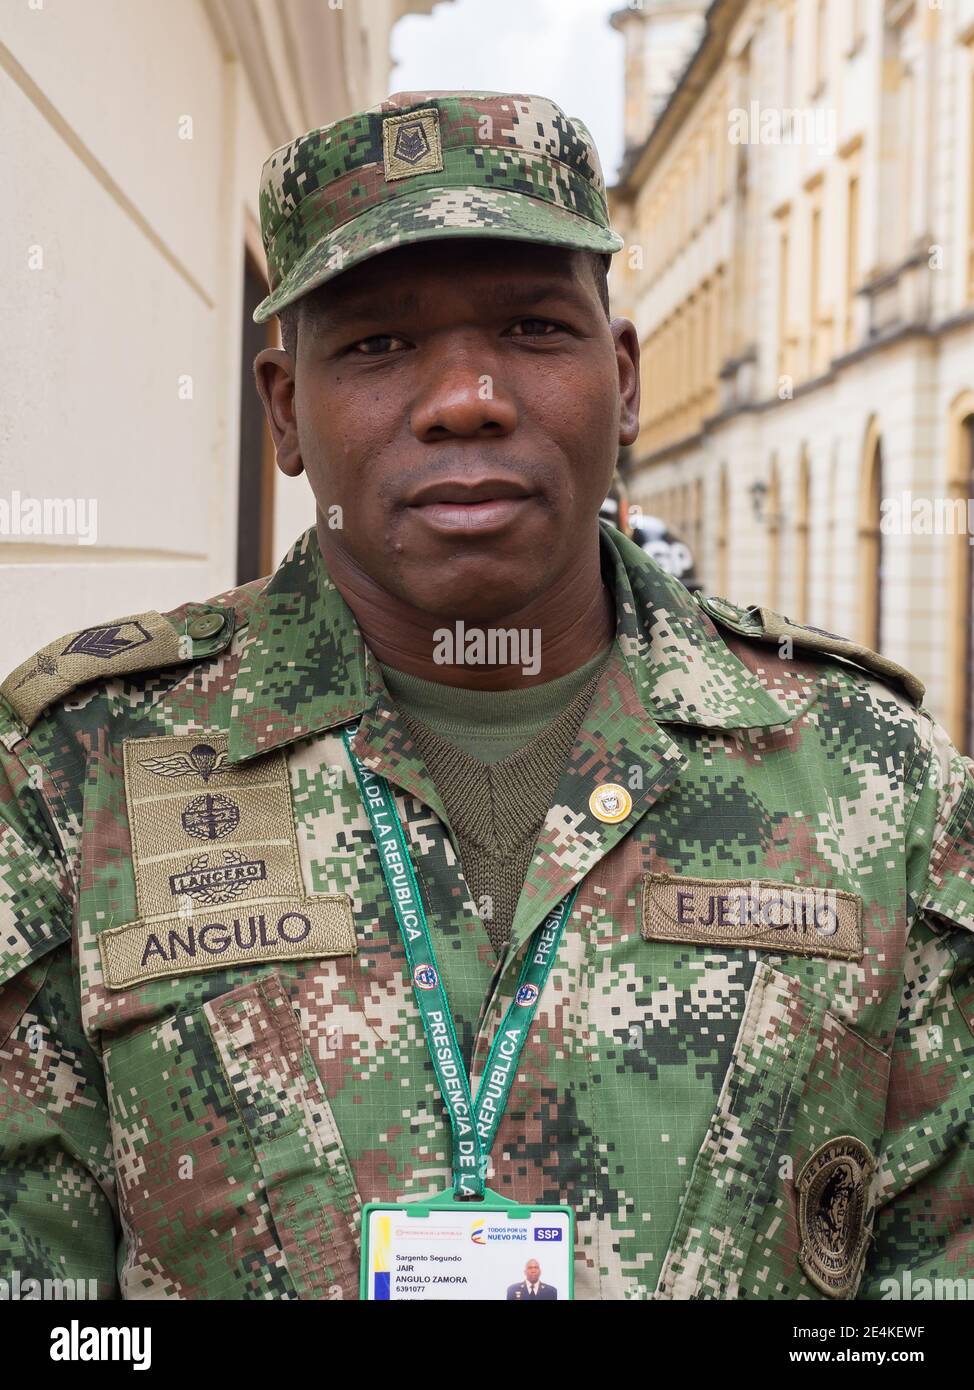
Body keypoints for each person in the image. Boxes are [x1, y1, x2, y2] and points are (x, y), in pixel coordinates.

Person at [0, 89, 971, 1302]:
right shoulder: (77, 771)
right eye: (377, 343)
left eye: (530, 326)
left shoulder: (874, 778)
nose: (467, 395)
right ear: (285, 410)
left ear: (620, 381)